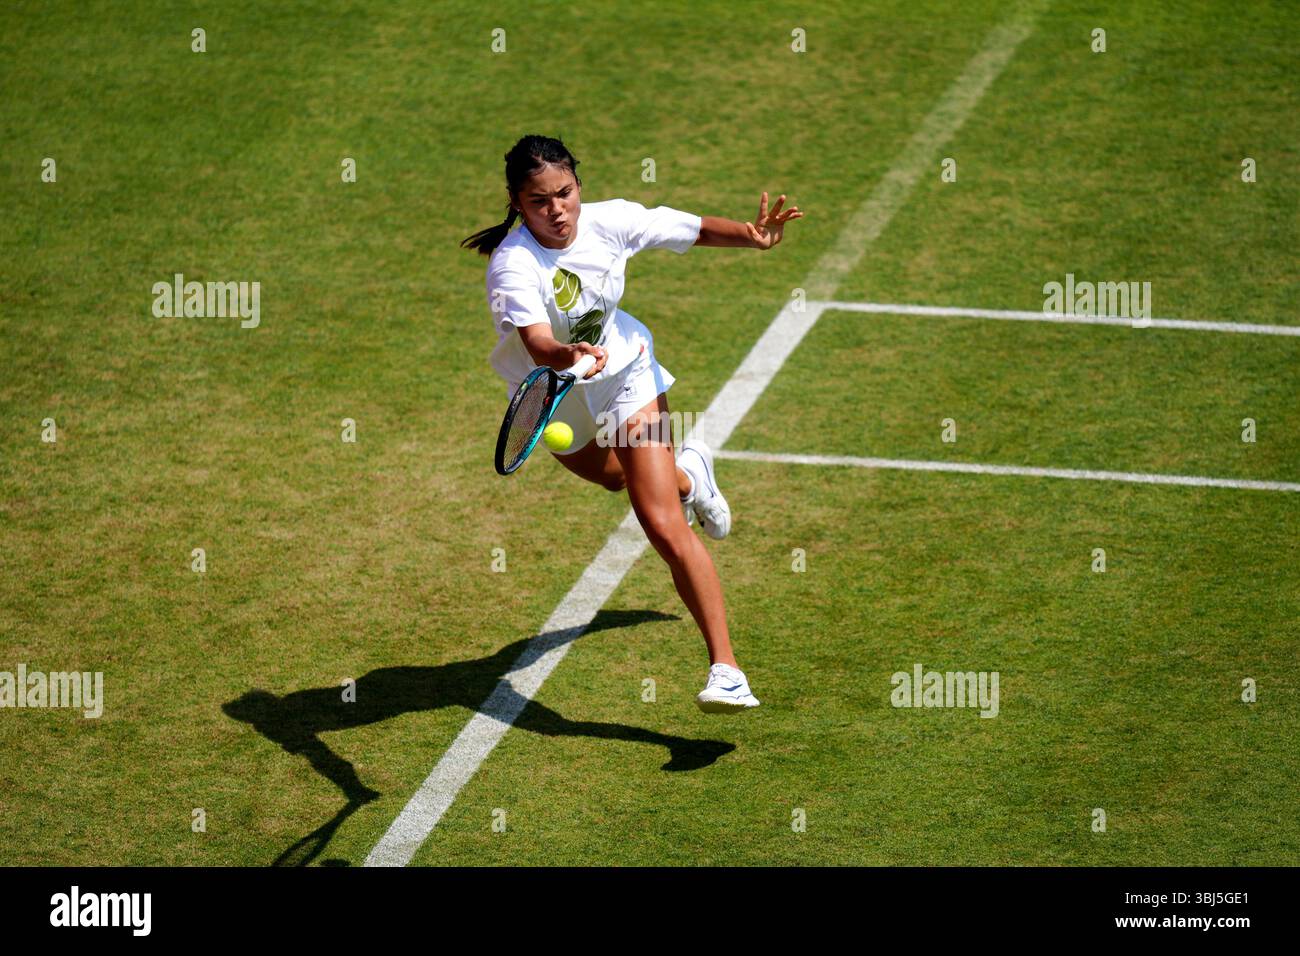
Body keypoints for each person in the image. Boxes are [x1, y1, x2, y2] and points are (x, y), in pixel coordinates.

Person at [461, 134, 803, 712]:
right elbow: (538, 342)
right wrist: (566, 356)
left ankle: (727, 670)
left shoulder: (611, 221)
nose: (557, 210)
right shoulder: (513, 265)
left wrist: (752, 235)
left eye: (564, 193)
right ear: (517, 202)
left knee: (662, 524)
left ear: (578, 186)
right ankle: (690, 474)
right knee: (615, 479)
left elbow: (691, 229)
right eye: (539, 201)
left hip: (624, 372)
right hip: (553, 394)